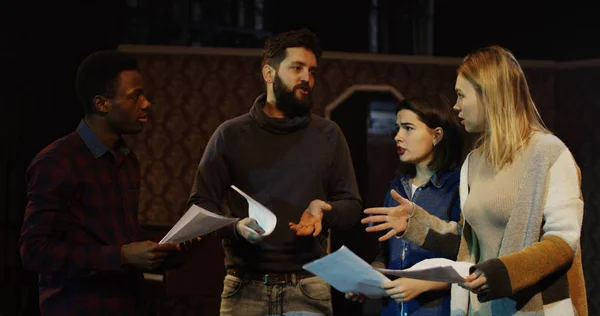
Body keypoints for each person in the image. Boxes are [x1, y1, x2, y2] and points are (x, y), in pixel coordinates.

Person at [362, 45, 587, 315]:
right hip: (483, 309)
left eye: (461, 95)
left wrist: (504, 271)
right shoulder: (474, 161)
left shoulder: (550, 154)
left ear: (489, 93)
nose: (455, 106)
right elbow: (467, 242)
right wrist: (415, 223)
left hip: (536, 308)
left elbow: (563, 242)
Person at [187, 28, 362, 316]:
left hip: (308, 289)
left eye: (312, 71)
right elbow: (199, 205)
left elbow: (352, 206)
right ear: (268, 73)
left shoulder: (329, 134)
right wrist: (236, 227)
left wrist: (324, 211)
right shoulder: (230, 135)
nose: (307, 78)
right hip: (244, 289)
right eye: (297, 68)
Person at [19, 51, 185, 316]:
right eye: (135, 96)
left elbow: (118, 236)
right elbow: (36, 251)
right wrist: (121, 256)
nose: (146, 104)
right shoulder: (57, 161)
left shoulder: (126, 159)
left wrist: (161, 250)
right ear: (101, 103)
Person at [346, 95, 464, 315]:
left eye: (408, 128)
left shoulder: (457, 186)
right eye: (397, 128)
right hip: (393, 309)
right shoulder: (397, 186)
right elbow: (387, 254)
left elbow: (467, 257)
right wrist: (371, 276)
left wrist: (422, 284)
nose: (398, 136)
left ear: (437, 135)